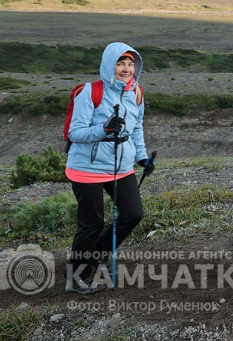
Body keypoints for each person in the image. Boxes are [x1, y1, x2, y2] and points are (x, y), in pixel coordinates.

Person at [65, 42, 154, 295]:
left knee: (132, 214)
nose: (126, 69)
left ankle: (93, 258)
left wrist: (143, 158)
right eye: (120, 63)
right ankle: (76, 278)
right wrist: (103, 129)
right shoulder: (90, 92)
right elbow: (76, 132)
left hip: (121, 167)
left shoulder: (136, 93)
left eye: (130, 64)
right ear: (109, 65)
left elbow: (136, 129)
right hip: (87, 168)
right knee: (91, 223)